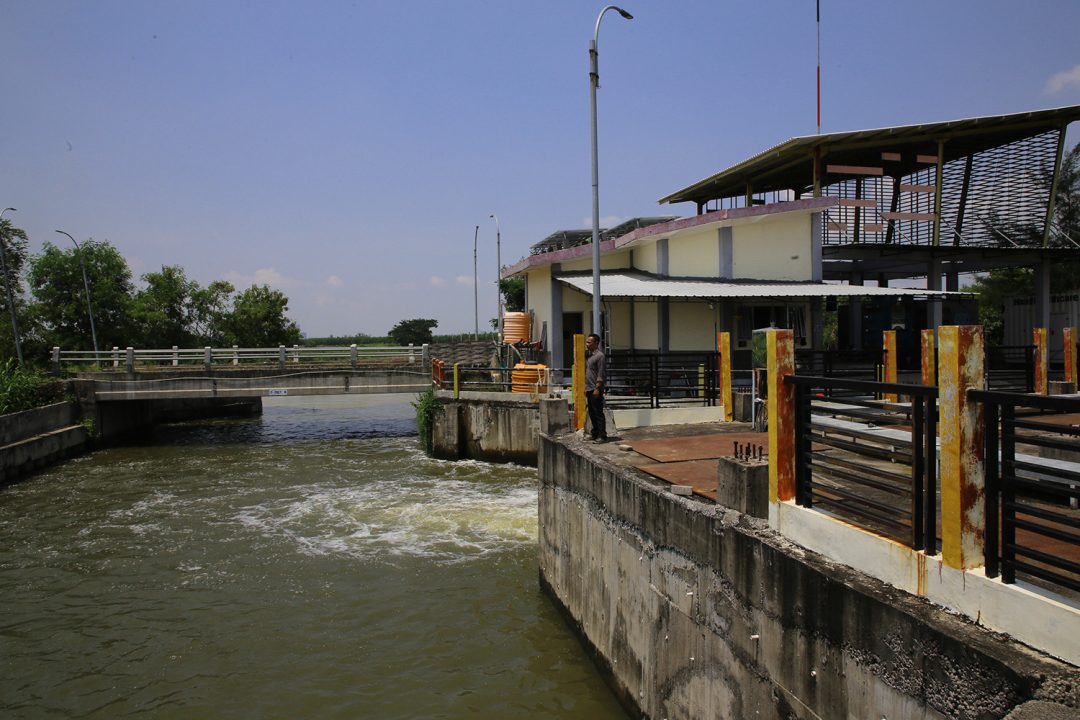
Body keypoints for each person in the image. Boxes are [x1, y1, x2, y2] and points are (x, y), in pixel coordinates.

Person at [584, 333, 607, 442]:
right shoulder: (590, 356)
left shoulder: (600, 356)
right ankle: (595, 433)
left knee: (598, 412)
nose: (587, 344)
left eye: (589, 342)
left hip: (595, 388)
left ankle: (602, 435)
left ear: (596, 343)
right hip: (589, 388)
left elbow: (601, 373)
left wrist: (598, 388)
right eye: (587, 342)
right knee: (592, 412)